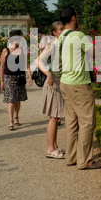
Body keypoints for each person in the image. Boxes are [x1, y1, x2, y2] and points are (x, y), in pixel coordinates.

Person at [58, 7, 101, 170]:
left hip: (65, 82)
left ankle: (71, 157)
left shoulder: (61, 36)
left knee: (71, 122)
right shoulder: (79, 36)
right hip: (79, 83)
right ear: (73, 18)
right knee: (87, 122)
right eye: (77, 15)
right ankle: (85, 161)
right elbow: (96, 54)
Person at [38, 21, 65, 159]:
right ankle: (50, 149)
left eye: (63, 29)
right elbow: (39, 60)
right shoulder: (53, 45)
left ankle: (54, 146)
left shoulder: (59, 45)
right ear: (54, 32)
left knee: (56, 117)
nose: (63, 31)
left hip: (58, 82)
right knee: (54, 118)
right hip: (53, 82)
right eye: (60, 30)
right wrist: (48, 74)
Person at [0, 29, 33, 131]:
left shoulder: (22, 50)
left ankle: (16, 117)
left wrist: (29, 75)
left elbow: (26, 64)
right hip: (9, 77)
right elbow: (2, 66)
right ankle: (11, 121)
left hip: (20, 77)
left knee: (18, 99)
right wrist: (1, 81)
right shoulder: (6, 50)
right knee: (11, 99)